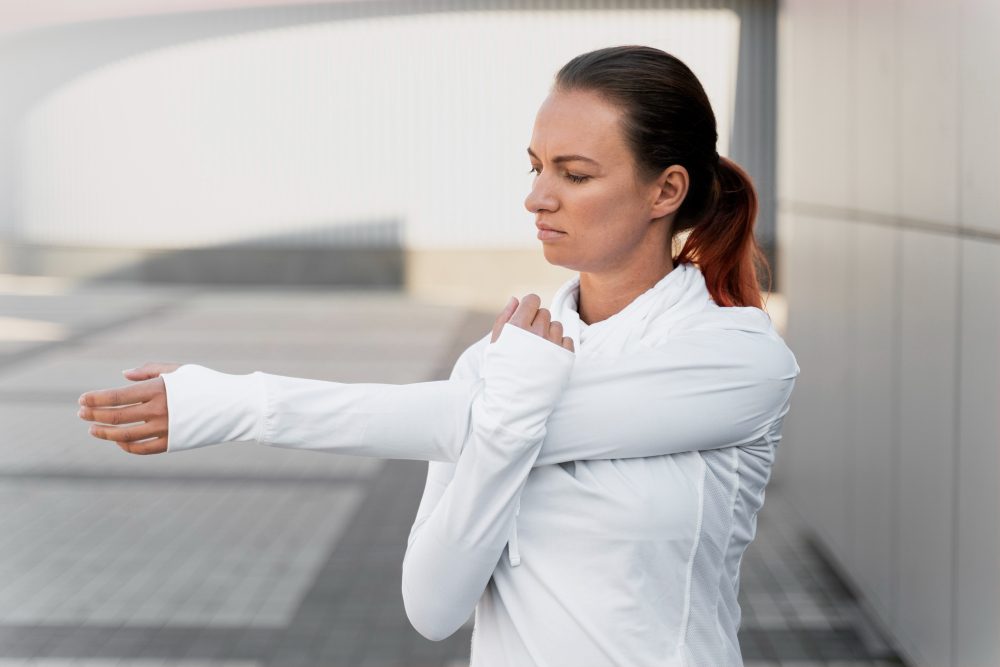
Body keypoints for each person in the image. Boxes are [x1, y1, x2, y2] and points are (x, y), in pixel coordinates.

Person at [77, 45, 800, 666]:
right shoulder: (506, 364)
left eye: (574, 174)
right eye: (535, 166)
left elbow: (455, 418)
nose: (537, 198)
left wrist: (243, 402)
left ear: (666, 189)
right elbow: (432, 607)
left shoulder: (736, 360)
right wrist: (507, 417)